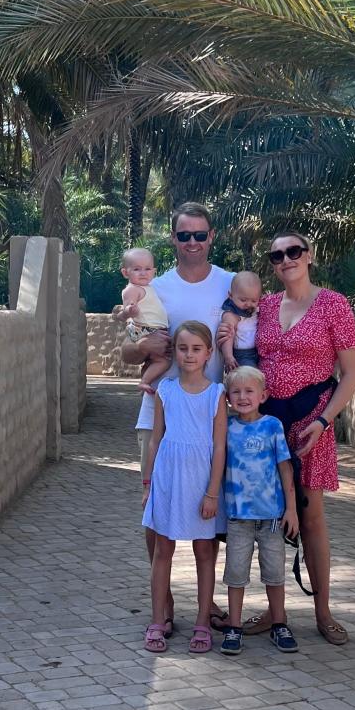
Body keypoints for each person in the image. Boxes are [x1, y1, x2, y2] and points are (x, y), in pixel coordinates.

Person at [241, 232, 355, 646]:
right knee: (264, 516)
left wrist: (325, 421)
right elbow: (246, 355)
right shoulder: (267, 305)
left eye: (293, 252)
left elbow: (350, 376)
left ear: (308, 255)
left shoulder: (334, 305)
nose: (286, 259)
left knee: (310, 517)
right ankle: (275, 613)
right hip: (267, 423)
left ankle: (323, 612)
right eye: (277, 255)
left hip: (312, 421)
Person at [122, 202, 234, 630]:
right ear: (173, 239)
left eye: (200, 235)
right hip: (160, 416)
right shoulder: (155, 287)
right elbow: (127, 350)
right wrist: (144, 350)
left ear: (212, 237)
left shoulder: (227, 283)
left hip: (211, 417)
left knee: (212, 510)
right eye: (184, 235)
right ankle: (163, 605)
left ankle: (209, 608)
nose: (192, 243)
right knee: (156, 512)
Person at [141, 321, 228, 653]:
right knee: (163, 550)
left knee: (204, 552)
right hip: (168, 480)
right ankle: (157, 619)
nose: (189, 355)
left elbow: (219, 447)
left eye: (196, 349)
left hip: (200, 482)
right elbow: (156, 440)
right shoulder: (166, 390)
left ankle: (203, 623)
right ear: (174, 352)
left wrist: (212, 492)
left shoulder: (216, 393)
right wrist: (149, 484)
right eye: (182, 348)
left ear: (208, 354)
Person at [218, 366, 298, 656]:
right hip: (239, 517)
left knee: (275, 573)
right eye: (236, 392)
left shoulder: (272, 425)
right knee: (236, 573)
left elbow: (285, 468)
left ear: (263, 395)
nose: (242, 397)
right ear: (227, 397)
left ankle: (279, 623)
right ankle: (234, 626)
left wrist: (291, 510)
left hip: (272, 518)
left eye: (249, 391)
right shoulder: (225, 426)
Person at [115, 247, 171, 394]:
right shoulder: (132, 289)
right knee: (163, 361)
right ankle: (145, 381)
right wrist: (129, 311)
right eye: (137, 269)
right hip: (146, 329)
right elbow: (123, 314)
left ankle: (146, 380)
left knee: (157, 360)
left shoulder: (148, 287)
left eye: (147, 269)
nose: (143, 273)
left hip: (151, 329)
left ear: (154, 271)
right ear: (125, 272)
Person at [219, 270, 262, 372]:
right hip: (242, 355)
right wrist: (228, 356)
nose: (248, 304)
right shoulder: (232, 314)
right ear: (231, 295)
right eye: (243, 300)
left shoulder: (254, 310)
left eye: (253, 301)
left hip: (258, 352)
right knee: (250, 376)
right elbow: (227, 336)